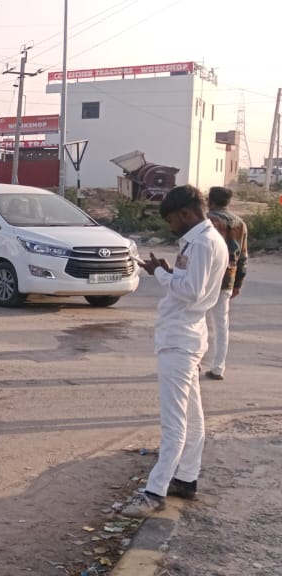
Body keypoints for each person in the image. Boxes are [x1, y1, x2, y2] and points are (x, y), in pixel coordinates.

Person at [122, 186, 229, 518]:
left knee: (174, 422)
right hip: (186, 335)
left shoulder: (202, 243)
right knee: (192, 417)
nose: (171, 227)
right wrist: (168, 272)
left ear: (186, 213)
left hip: (180, 338)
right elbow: (191, 283)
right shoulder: (203, 240)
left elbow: (191, 292)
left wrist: (160, 275)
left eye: (172, 220)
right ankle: (186, 478)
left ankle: (154, 492)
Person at [203, 186, 248, 381]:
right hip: (228, 278)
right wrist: (238, 283)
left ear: (210, 201)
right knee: (221, 325)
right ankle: (218, 368)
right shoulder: (240, 223)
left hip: (207, 277)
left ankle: (194, 362)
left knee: (198, 320)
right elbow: (243, 257)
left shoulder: (207, 221)